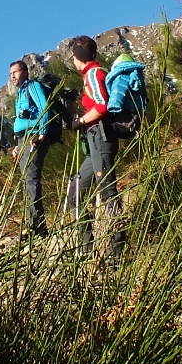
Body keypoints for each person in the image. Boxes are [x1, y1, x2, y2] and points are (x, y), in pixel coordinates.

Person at [67, 36, 121, 245]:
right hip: (94, 142)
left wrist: (80, 120)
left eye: (73, 56)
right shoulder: (92, 76)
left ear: (79, 57)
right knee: (75, 191)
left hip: (101, 137)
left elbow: (102, 105)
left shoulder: (93, 74)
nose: (72, 60)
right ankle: (88, 246)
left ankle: (116, 252)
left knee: (108, 191)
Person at [9, 59, 53, 236]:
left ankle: (38, 228)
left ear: (25, 72)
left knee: (31, 180)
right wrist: (18, 144)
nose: (12, 76)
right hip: (23, 140)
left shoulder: (32, 87)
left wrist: (42, 132)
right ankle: (31, 224)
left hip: (33, 137)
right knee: (26, 181)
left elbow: (44, 107)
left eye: (16, 72)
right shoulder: (20, 94)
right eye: (10, 73)